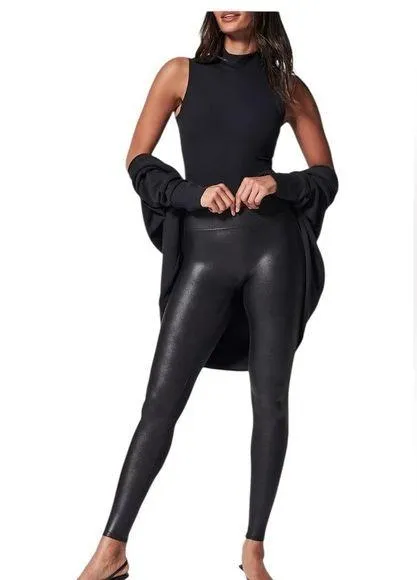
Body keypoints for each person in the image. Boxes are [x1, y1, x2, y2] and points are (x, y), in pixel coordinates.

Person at [78, 11, 338, 580]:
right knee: (160, 404)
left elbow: (326, 176)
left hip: (274, 254)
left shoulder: (286, 85)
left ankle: (254, 551)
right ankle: (111, 549)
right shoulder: (180, 73)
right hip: (203, 253)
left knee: (270, 402)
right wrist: (190, 193)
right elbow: (137, 160)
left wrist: (278, 182)